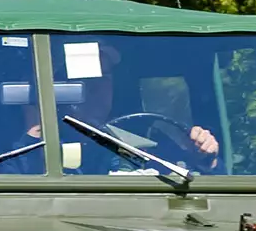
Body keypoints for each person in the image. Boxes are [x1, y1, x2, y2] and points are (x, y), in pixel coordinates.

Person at [18, 41, 221, 173]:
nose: (97, 88)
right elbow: (3, 188)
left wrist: (205, 158)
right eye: (84, 79)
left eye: (104, 78)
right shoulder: (37, 142)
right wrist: (36, 129)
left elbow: (195, 183)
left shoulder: (142, 136)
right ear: (60, 87)